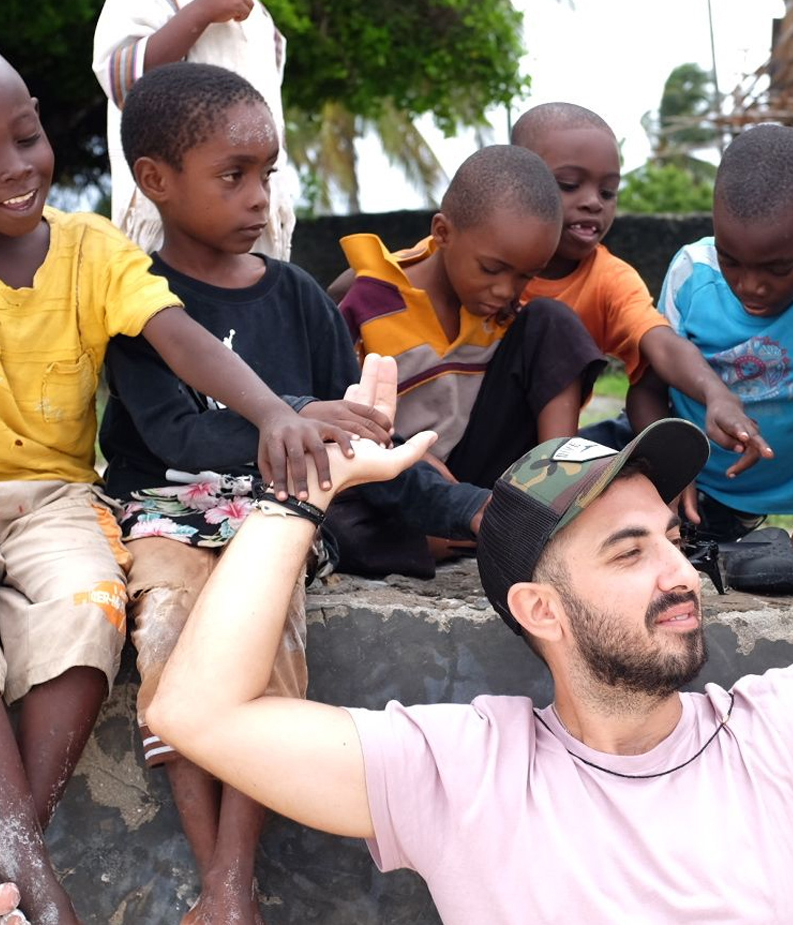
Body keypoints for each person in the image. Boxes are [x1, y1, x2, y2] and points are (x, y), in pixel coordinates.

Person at [142, 308, 793, 923]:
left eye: (669, 539)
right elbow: (198, 714)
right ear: (538, 609)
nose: (677, 570)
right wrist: (303, 494)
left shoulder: (791, 731)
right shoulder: (464, 770)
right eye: (628, 550)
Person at [0, 42, 349, 925]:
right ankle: (38, 887)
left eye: (26, 136)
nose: (14, 168)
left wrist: (272, 412)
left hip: (55, 494)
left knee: (89, 607)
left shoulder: (93, 249)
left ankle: (3, 874)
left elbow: (179, 336)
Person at [96, 61, 483, 925]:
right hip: (162, 512)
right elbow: (177, 437)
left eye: (266, 174)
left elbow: (357, 441)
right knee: (168, 628)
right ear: (155, 181)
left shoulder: (299, 296)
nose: (258, 198)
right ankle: (218, 876)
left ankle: (233, 884)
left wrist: (470, 508)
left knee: (263, 641)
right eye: (232, 176)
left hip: (277, 520)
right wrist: (302, 415)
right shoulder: (136, 304)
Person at [645, 122, 793, 597]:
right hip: (701, 489)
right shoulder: (694, 272)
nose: (750, 286)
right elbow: (647, 385)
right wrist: (667, 472)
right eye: (732, 260)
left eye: (777, 268)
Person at [508, 102, 771, 465]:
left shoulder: (608, 278)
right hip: (456, 432)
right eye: (569, 185)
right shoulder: (475, 258)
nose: (592, 203)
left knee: (629, 447)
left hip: (540, 448)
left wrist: (718, 394)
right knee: (550, 319)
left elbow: (660, 342)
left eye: (607, 192)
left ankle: (556, 486)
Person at [335, 144, 605, 493]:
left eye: (526, 276)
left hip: (477, 468)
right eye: (491, 269)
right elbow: (340, 417)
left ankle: (555, 492)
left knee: (552, 319)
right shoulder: (370, 299)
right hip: (396, 476)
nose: (505, 291)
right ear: (443, 233)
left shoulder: (506, 313)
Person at [93, 0, 298, 258]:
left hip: (256, 234)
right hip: (170, 240)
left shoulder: (261, 19)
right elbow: (124, 83)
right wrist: (202, 11)